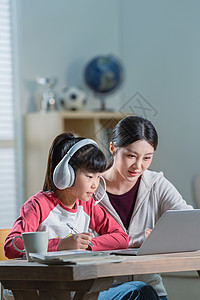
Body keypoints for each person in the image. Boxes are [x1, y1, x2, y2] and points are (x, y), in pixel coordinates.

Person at [4, 132, 159, 300]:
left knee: (142, 290)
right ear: (66, 175)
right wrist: (62, 245)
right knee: (139, 292)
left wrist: (87, 245)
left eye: (98, 177)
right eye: (90, 176)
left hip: (82, 289)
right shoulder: (38, 205)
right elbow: (12, 245)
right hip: (44, 291)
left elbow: (121, 236)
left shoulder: (87, 205)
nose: (95, 184)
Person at [94, 116, 193, 300]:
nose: (138, 166)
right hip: (104, 291)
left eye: (147, 158)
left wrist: (162, 237)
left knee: (143, 292)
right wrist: (135, 240)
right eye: (131, 156)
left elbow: (188, 221)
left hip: (152, 293)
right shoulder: (90, 190)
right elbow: (81, 247)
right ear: (113, 148)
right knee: (138, 291)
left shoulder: (156, 184)